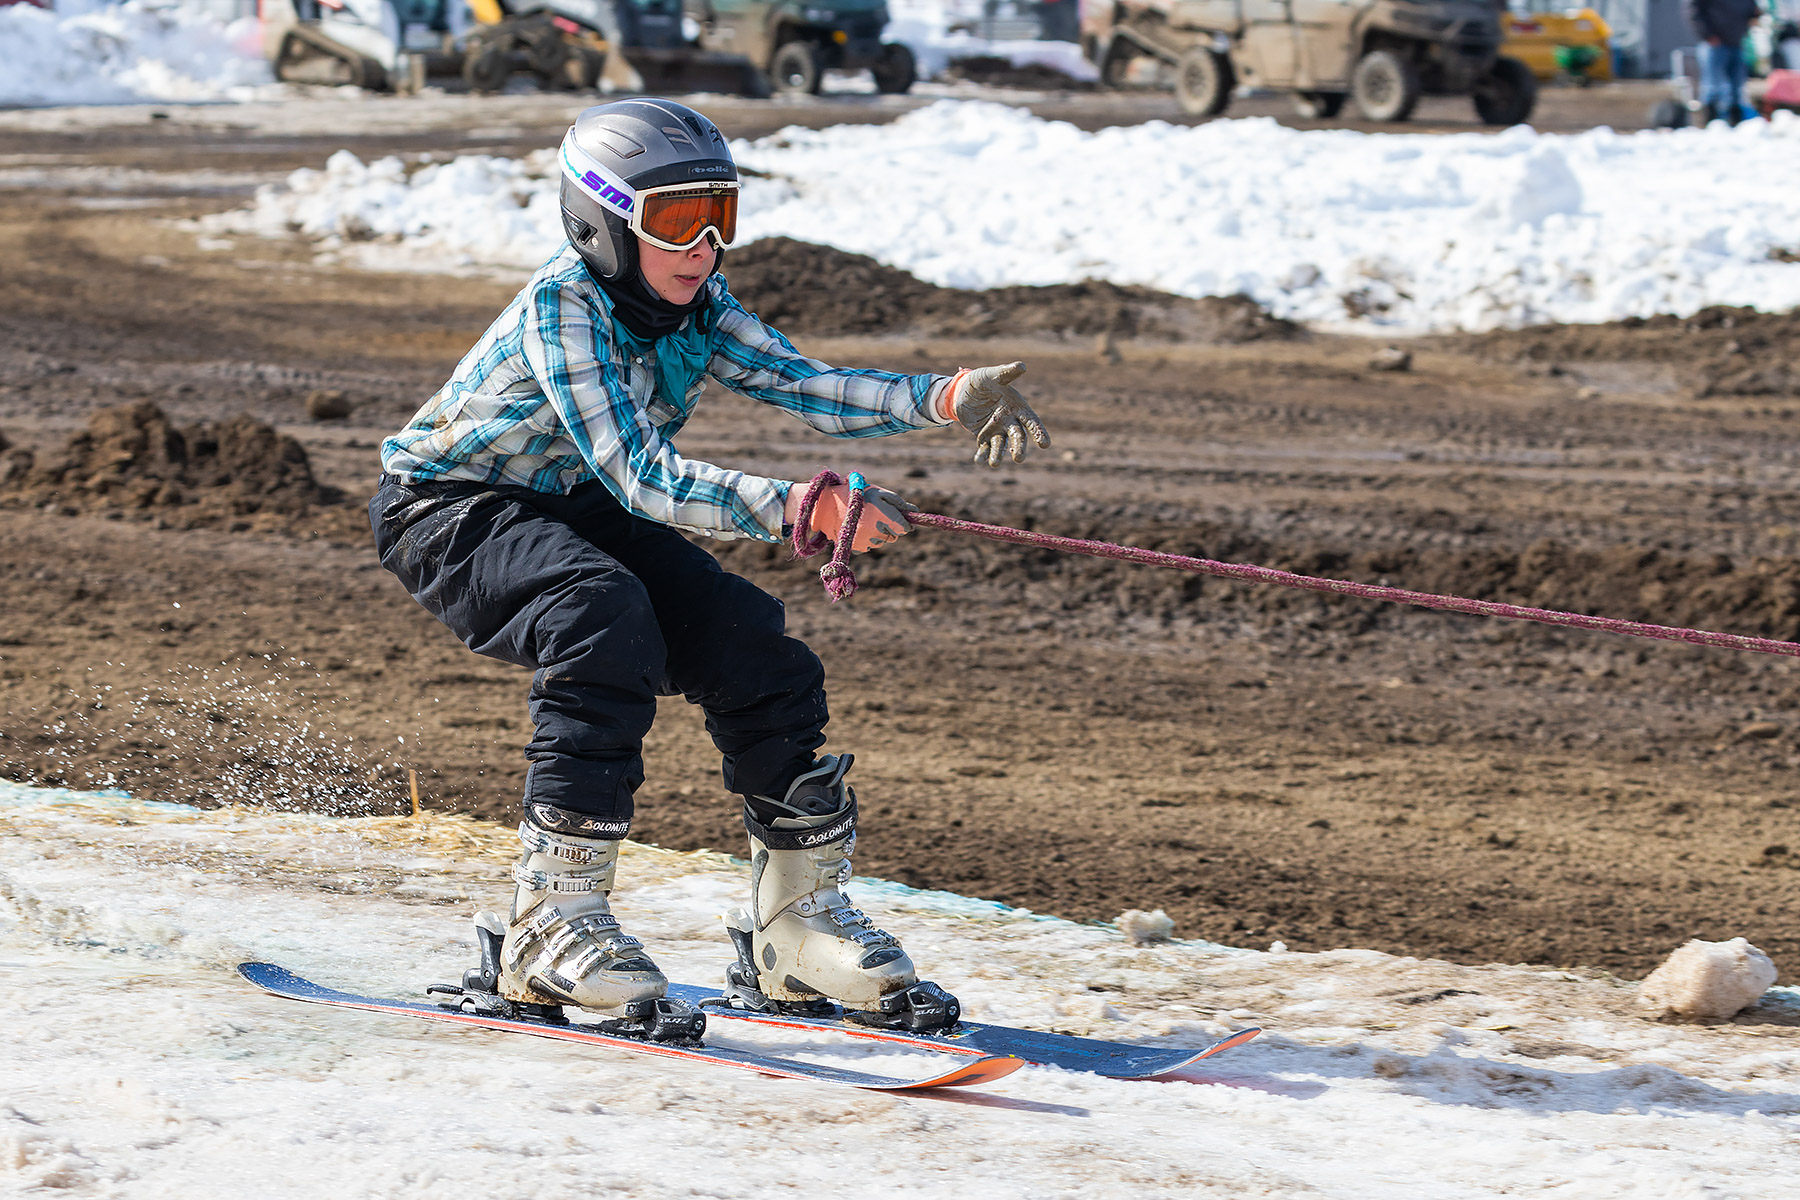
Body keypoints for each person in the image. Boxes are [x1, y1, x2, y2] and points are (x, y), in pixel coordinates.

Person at [369, 99, 1049, 1033]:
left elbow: (801, 381)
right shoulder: (562, 310)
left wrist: (943, 395)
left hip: (576, 504)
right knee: (599, 614)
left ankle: (796, 928)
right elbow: (643, 478)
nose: (704, 246)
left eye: (719, 216)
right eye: (677, 221)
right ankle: (549, 923)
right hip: (449, 509)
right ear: (601, 223)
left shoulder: (700, 304)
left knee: (753, 644)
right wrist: (802, 507)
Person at [1687, 0, 1762, 124]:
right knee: (1713, 87)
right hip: (1714, 44)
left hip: (1737, 42)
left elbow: (1751, 8)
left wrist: (1755, 15)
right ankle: (1710, 123)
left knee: (1737, 89)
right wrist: (1707, 34)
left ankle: (1735, 123)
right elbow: (1693, 10)